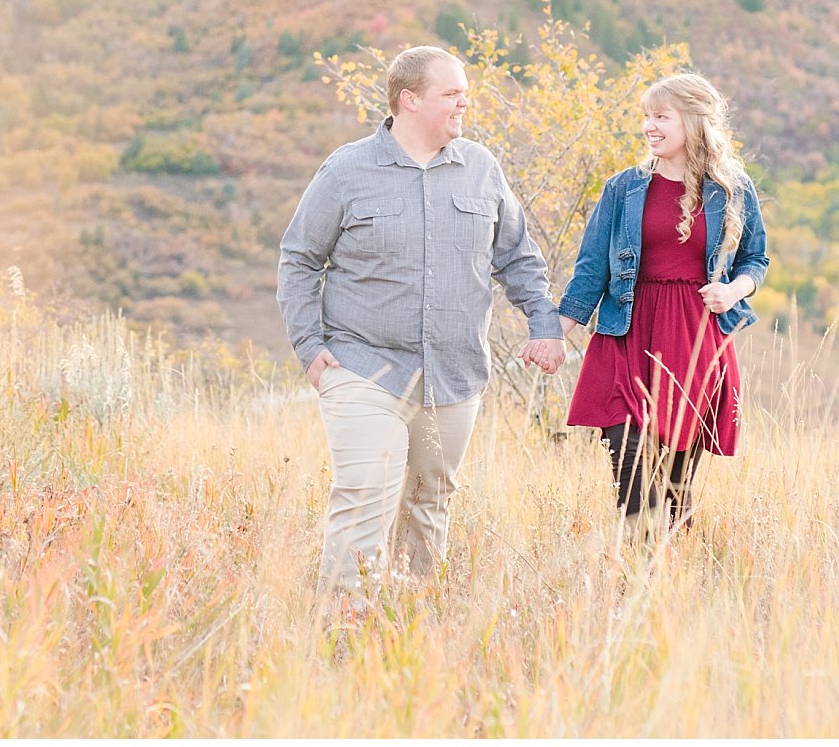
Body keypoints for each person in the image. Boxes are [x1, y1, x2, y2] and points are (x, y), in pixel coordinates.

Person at [278, 44, 566, 608]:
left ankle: (409, 617)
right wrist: (310, 346)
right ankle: (345, 626)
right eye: (452, 93)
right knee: (364, 496)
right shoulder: (347, 170)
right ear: (410, 99)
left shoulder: (481, 168)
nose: (466, 102)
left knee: (430, 499)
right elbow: (299, 259)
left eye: (465, 92)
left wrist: (544, 323)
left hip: (455, 375)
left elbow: (517, 257)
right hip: (364, 368)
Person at [557, 72, 769, 537]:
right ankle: (638, 576)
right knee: (631, 470)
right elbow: (591, 269)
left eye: (660, 117)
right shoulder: (624, 188)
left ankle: (671, 589)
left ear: (693, 122)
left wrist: (733, 291)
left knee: (674, 487)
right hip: (629, 332)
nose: (650, 127)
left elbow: (756, 258)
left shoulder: (731, 187)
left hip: (695, 341)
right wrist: (556, 334)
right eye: (646, 118)